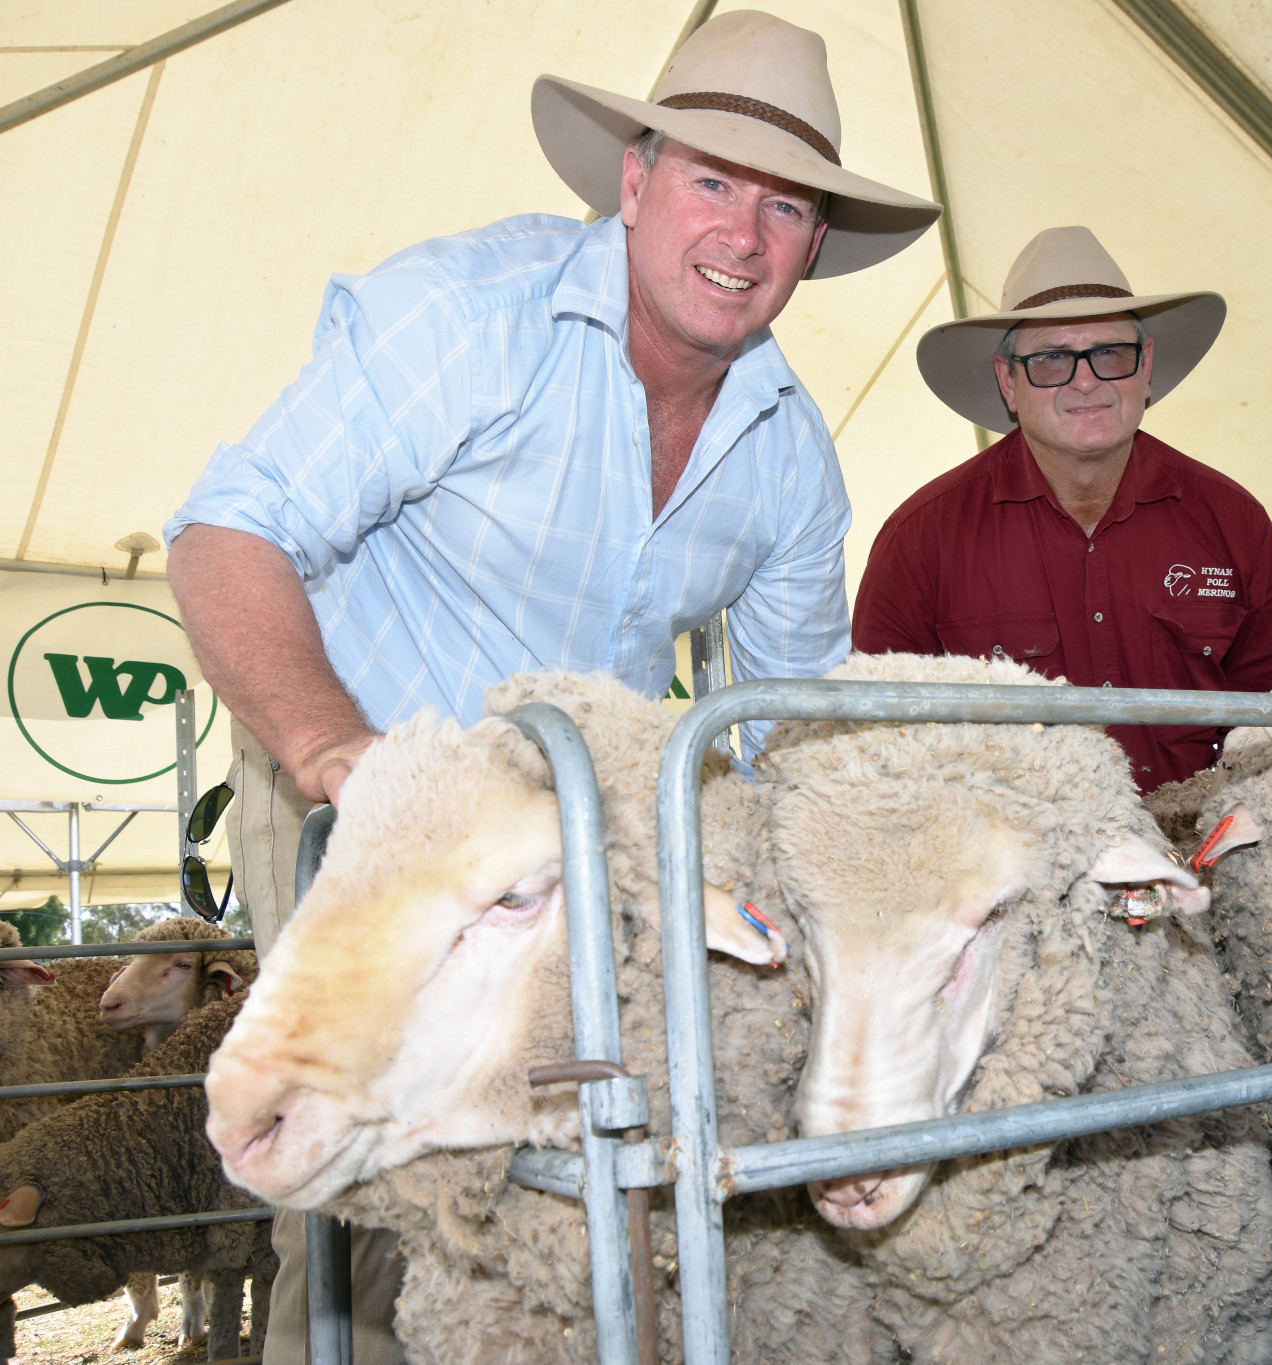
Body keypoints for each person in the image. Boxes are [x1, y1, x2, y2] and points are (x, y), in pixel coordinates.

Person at [164, 13, 938, 1362]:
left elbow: (786, 732)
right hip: (363, 790)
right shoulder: (469, 318)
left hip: (576, 842)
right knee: (347, 1167)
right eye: (710, 181)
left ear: (817, 247)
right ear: (631, 183)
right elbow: (229, 533)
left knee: (587, 1163)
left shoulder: (788, 459)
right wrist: (335, 749)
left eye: (786, 208)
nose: (742, 237)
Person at [853, 226, 1272, 792]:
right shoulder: (921, 540)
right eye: (1050, 360)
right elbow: (878, 745)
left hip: (1193, 850)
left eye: (1110, 353)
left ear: (1145, 368)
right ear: (1008, 382)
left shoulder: (1235, 524)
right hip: (1014, 864)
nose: (1086, 381)